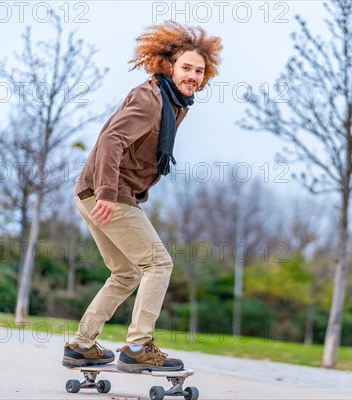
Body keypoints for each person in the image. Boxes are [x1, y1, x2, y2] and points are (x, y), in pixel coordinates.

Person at [62, 21, 222, 372]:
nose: (193, 76)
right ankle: (137, 346)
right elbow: (111, 141)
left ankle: (81, 345)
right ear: (168, 66)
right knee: (158, 263)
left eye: (199, 70)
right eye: (186, 68)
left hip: (93, 193)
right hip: (107, 194)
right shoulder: (151, 99)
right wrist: (107, 193)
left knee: (125, 273)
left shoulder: (175, 103)